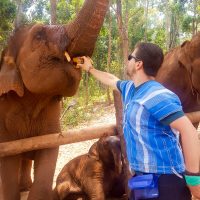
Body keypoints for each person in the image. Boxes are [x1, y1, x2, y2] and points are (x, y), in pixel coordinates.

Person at [76, 42, 200, 200]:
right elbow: (111, 79)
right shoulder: (130, 89)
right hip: (143, 180)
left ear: (139, 64)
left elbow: (188, 130)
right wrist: (90, 68)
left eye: (130, 57)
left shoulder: (158, 94)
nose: (127, 61)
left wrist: (194, 179)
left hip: (166, 181)